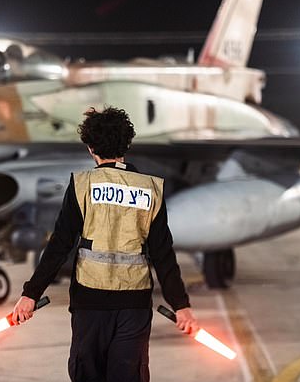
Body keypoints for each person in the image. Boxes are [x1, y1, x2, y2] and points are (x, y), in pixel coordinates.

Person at [11, 106, 198, 382]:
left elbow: (60, 245)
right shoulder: (150, 189)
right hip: (134, 307)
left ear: (90, 147)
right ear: (127, 144)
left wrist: (31, 294)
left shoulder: (82, 185)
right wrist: (180, 304)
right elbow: (163, 254)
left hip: (90, 305)